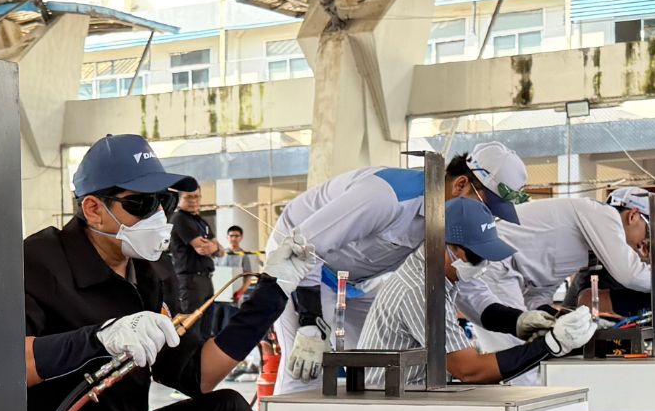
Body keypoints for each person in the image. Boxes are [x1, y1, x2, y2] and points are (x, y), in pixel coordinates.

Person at [24, 133, 315, 411]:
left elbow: (198, 375)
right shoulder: (38, 263)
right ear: (93, 209)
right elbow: (1, 370)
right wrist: (98, 339)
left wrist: (272, 292)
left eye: (164, 202)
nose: (158, 216)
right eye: (141, 204)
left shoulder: (151, 272)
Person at [265, 141, 529, 392]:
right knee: (306, 367)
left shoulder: (448, 220)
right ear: (461, 184)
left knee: (380, 367)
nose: (487, 218)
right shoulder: (386, 196)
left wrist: (518, 321)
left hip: (357, 280)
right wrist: (310, 321)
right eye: (488, 208)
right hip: (300, 267)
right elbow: (304, 246)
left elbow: (470, 291)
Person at [357, 199, 598, 385]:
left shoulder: (439, 273)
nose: (483, 264)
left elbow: (480, 304)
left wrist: (520, 321)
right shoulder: (421, 290)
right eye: (478, 256)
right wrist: (550, 345)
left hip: (414, 392)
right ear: (445, 245)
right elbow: (469, 370)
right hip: (390, 404)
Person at [455, 186, 655, 336]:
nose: (644, 243)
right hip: (494, 265)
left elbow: (539, 293)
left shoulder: (588, 245)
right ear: (633, 216)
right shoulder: (603, 214)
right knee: (515, 353)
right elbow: (630, 274)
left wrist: (555, 317)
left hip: (503, 271)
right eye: (648, 232)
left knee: (527, 354)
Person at [166, 180, 219, 341]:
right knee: (191, 329)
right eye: (189, 197)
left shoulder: (200, 221)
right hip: (190, 281)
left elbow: (219, 248)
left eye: (197, 197)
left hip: (206, 279)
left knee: (206, 329)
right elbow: (201, 247)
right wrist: (213, 246)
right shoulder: (179, 218)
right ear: (179, 199)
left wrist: (214, 247)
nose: (194, 201)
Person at [209, 225, 262, 339]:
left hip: (233, 298)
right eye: (231, 236)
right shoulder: (220, 254)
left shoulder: (244, 256)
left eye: (236, 236)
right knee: (214, 327)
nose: (234, 238)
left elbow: (248, 276)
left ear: (241, 237)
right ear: (227, 237)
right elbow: (215, 273)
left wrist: (241, 291)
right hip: (218, 297)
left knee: (228, 326)